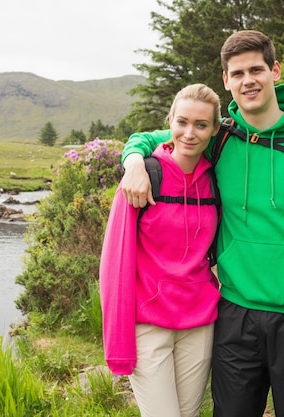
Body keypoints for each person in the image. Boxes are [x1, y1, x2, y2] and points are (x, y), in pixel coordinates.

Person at [119, 30, 284, 417]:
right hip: (234, 313)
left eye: (256, 69)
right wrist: (133, 161)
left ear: (275, 71)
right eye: (237, 73)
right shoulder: (219, 136)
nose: (248, 80)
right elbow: (155, 137)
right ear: (226, 81)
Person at [100, 83, 223, 417]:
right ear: (169, 121)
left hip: (199, 322)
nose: (189, 133)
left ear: (215, 129)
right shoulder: (143, 176)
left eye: (201, 125)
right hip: (148, 324)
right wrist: (134, 160)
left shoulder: (217, 174)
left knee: (189, 414)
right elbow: (115, 265)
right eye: (181, 122)